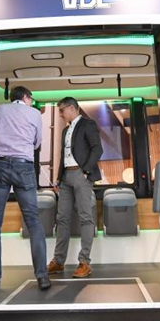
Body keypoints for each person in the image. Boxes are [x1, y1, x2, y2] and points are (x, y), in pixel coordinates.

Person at [0, 86, 50, 293]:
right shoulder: (34, 113)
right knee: (33, 221)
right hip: (23, 166)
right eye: (31, 99)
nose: (32, 103)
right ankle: (42, 277)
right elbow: (37, 142)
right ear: (26, 97)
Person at [47, 97, 103, 278]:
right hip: (65, 178)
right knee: (62, 218)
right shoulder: (65, 131)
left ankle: (84, 262)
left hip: (81, 174)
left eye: (62, 110)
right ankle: (58, 261)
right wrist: (58, 179)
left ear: (71, 108)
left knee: (86, 217)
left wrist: (86, 171)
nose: (61, 114)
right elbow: (64, 157)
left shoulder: (88, 124)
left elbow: (97, 149)